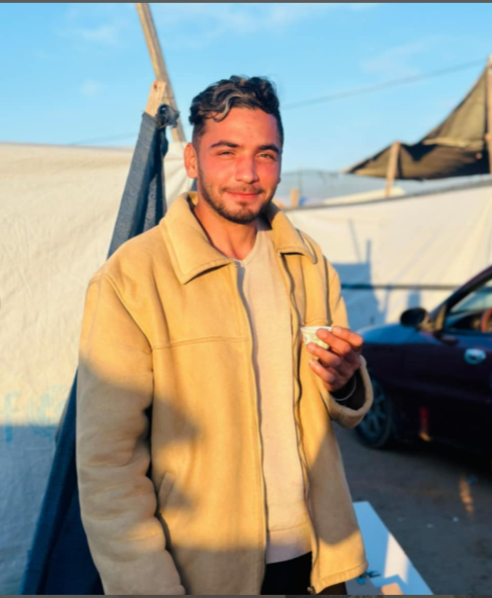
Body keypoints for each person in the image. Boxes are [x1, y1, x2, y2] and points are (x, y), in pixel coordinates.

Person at [75, 76, 373, 595]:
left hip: (319, 558)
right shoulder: (132, 279)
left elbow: (336, 408)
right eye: (227, 151)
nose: (248, 173)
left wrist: (345, 382)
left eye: (265, 154)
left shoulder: (307, 262)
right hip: (203, 570)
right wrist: (149, 586)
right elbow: (108, 464)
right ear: (192, 160)